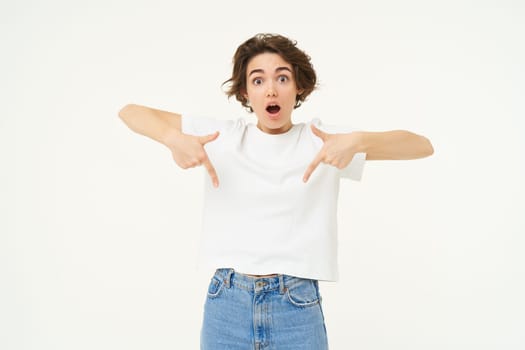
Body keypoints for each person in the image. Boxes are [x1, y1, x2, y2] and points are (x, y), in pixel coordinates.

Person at [118, 33, 433, 350]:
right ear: (245, 92)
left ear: (298, 87)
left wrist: (359, 141)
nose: (271, 89)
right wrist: (172, 138)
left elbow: (421, 146)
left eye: (282, 78)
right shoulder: (222, 137)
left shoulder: (322, 140)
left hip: (295, 306)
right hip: (226, 304)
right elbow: (130, 112)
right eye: (258, 80)